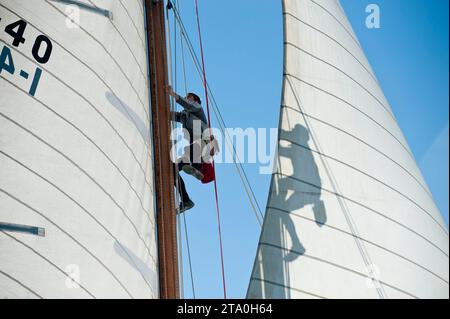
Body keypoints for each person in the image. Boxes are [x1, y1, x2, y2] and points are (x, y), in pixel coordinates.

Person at [168, 86, 211, 213]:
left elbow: (189, 104)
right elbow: (171, 115)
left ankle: (197, 167)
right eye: (186, 96)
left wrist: (173, 95)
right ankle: (186, 200)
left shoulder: (197, 108)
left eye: (189, 97)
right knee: (172, 170)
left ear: (195, 100)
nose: (187, 98)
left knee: (194, 144)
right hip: (193, 151)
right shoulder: (183, 116)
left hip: (203, 145)